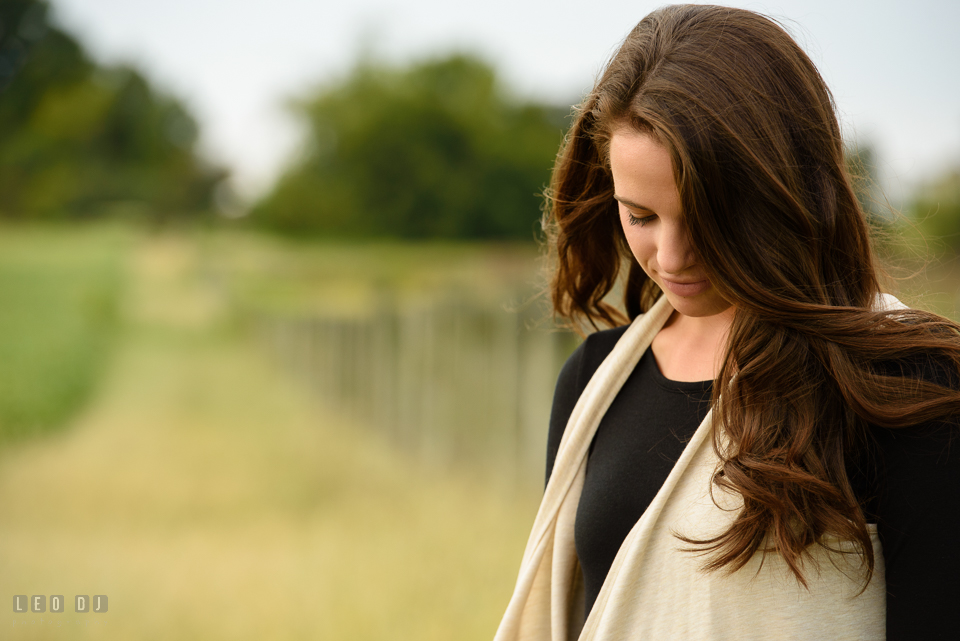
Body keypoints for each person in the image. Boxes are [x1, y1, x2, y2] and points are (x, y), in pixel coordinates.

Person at [495, 5, 960, 641]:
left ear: (787, 190)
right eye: (641, 216)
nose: (674, 257)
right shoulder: (594, 381)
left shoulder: (905, 383)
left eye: (709, 218)